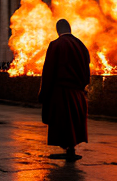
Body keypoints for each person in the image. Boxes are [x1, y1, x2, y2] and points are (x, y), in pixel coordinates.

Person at [39, 19, 90, 162]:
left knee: (64, 122)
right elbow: (87, 70)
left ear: (58, 30)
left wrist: (44, 93)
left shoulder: (56, 45)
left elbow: (49, 71)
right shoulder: (81, 45)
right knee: (74, 122)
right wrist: (83, 87)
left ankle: (69, 150)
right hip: (78, 92)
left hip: (62, 92)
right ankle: (70, 149)